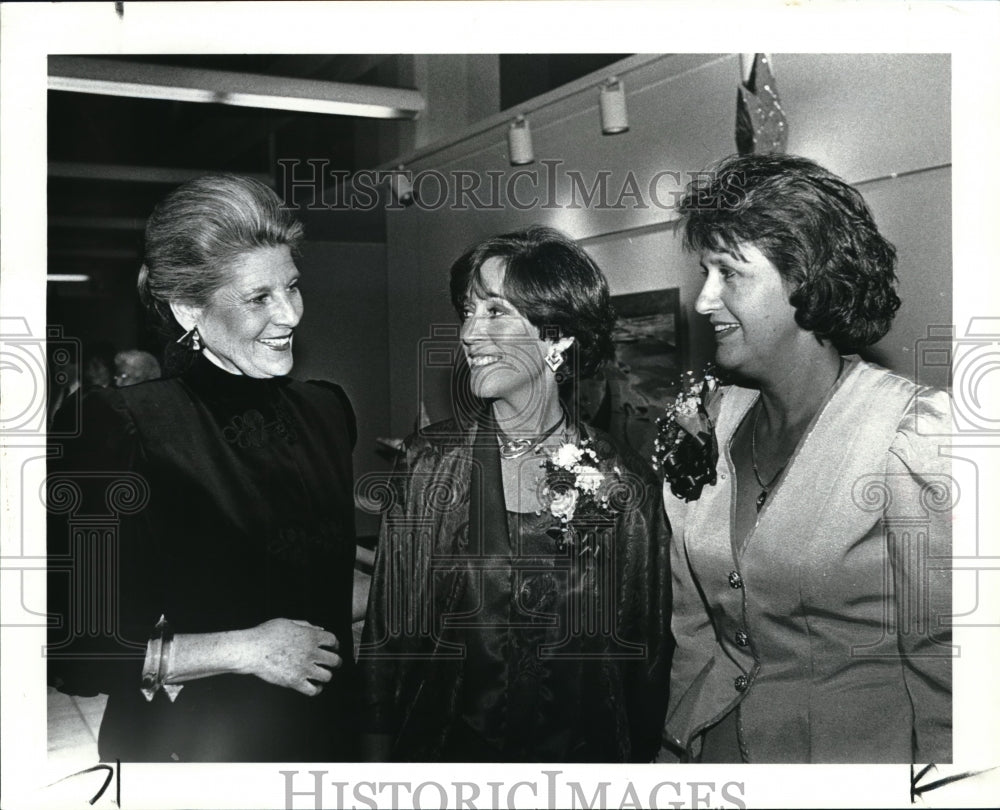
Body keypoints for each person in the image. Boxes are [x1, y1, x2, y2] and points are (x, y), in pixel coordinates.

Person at [47, 174, 359, 762]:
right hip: (194, 750)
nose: (290, 314)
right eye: (258, 298)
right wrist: (246, 649)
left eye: (292, 287)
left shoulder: (328, 411)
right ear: (189, 308)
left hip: (325, 739)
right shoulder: (123, 426)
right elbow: (77, 649)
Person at [659, 153, 952, 763]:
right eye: (703, 274)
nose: (704, 301)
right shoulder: (711, 421)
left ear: (808, 280)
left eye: (729, 274)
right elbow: (693, 629)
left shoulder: (915, 435)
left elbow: (951, 671)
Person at [360, 226, 672, 762]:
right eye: (467, 312)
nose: (468, 333)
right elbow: (389, 635)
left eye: (495, 312)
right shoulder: (430, 465)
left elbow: (641, 662)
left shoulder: (624, 484)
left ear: (557, 337)